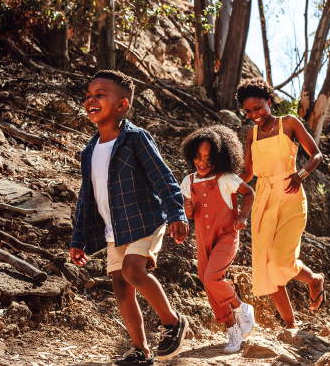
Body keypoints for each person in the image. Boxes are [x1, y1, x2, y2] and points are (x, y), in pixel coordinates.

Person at [69, 70, 190, 365]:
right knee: (121, 286)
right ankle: (140, 350)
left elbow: (163, 177)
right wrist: (78, 238)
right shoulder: (90, 150)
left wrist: (176, 212)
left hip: (144, 219)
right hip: (114, 228)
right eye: (88, 95)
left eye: (100, 95)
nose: (91, 100)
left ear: (122, 105)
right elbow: (86, 197)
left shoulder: (136, 138)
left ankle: (173, 324)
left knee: (133, 271)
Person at [237, 78, 325, 329]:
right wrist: (224, 183)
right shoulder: (251, 133)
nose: (254, 114)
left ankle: (314, 280)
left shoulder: (289, 122)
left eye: (258, 108)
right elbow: (248, 172)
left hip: (290, 196)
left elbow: (316, 154)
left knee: (279, 261)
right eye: (248, 111)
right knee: (265, 267)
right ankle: (290, 325)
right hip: (263, 201)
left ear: (269, 102)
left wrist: (301, 175)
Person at [179, 125, 256, 353]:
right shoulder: (188, 181)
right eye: (198, 156)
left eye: (209, 158)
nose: (202, 162)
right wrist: (188, 210)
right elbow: (188, 214)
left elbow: (249, 193)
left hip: (226, 235)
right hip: (203, 241)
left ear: (221, 158)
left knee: (213, 278)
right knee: (208, 283)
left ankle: (242, 308)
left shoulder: (226, 178)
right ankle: (232, 329)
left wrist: (242, 216)